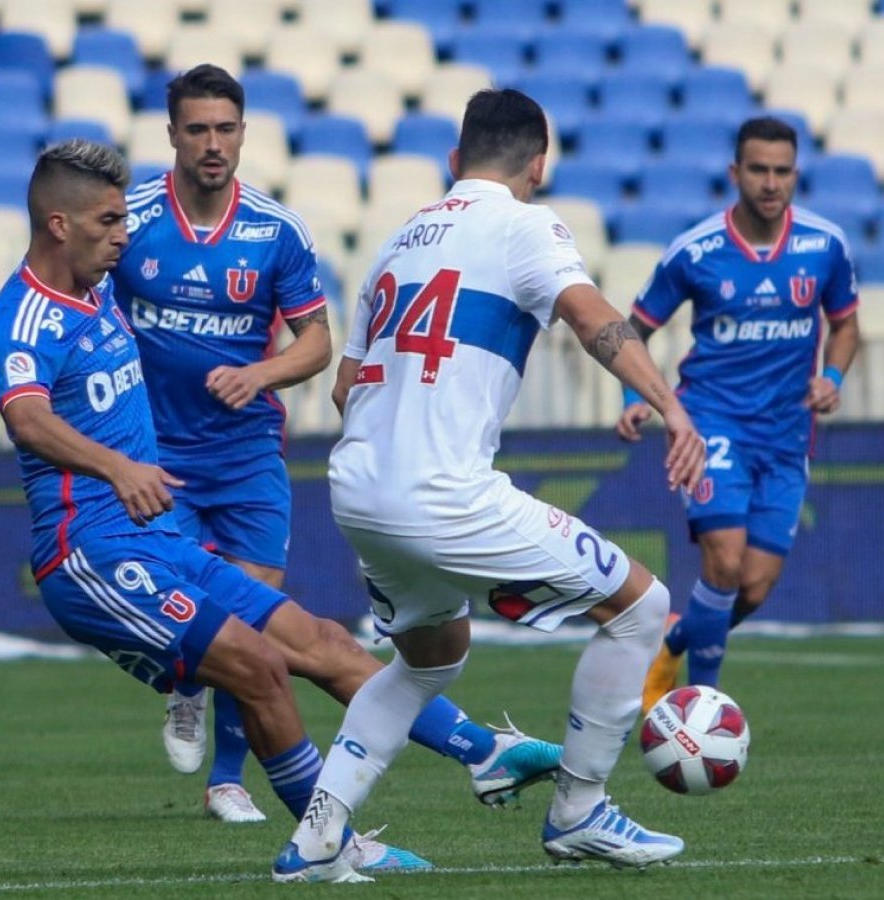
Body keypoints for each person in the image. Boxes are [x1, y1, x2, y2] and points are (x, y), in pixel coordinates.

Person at [0, 139, 560, 874]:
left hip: (155, 539)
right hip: (90, 553)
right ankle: (327, 846)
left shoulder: (99, 292)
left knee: (322, 642)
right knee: (257, 666)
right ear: (58, 224)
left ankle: (485, 754)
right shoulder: (20, 319)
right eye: (108, 221)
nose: (124, 235)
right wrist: (117, 466)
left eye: (125, 218)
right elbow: (27, 418)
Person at [274, 89, 708, 884]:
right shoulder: (525, 225)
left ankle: (315, 841)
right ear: (538, 165)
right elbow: (590, 317)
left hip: (360, 487)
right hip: (443, 493)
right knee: (641, 608)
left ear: (454, 160)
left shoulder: (397, 244)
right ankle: (579, 811)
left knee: (428, 662)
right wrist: (671, 406)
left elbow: (344, 391)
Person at [109, 64, 331, 824]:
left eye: (225, 129)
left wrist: (260, 374)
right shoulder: (131, 218)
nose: (212, 144)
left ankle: (228, 780)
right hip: (156, 457)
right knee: (198, 615)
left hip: (245, 455)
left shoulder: (276, 230)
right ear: (171, 134)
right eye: (197, 129)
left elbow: (318, 343)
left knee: (259, 615)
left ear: (243, 133)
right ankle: (185, 686)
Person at [617, 116, 861, 710]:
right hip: (711, 423)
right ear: (735, 173)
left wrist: (832, 377)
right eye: (758, 170)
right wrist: (634, 400)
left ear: (795, 175)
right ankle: (701, 706)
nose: (771, 183)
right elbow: (634, 328)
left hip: (785, 435)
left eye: (782, 171)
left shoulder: (824, 245)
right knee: (723, 561)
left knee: (753, 586)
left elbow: (847, 325)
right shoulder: (696, 251)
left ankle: (672, 641)